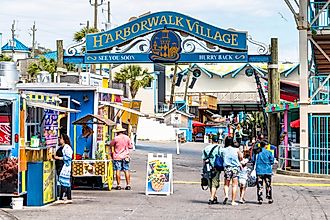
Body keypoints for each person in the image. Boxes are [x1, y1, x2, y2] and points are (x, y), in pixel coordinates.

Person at [222, 136, 243, 206]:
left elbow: (221, 157)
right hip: (235, 168)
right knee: (234, 185)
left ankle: (226, 195)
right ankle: (233, 201)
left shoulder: (223, 150)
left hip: (227, 168)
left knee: (226, 184)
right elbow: (241, 157)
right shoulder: (236, 149)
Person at [110, 124, 133, 190]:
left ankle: (118, 185)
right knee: (126, 170)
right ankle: (128, 185)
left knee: (118, 170)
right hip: (125, 156)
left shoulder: (116, 138)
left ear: (117, 132)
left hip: (117, 157)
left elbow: (111, 145)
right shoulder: (127, 137)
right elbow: (130, 146)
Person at [54, 134, 73, 203]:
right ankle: (65, 197)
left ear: (64, 140)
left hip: (64, 167)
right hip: (60, 166)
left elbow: (68, 157)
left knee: (64, 181)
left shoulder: (67, 148)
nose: (59, 139)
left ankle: (65, 197)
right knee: (63, 182)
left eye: (61, 138)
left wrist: (58, 158)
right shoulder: (61, 147)